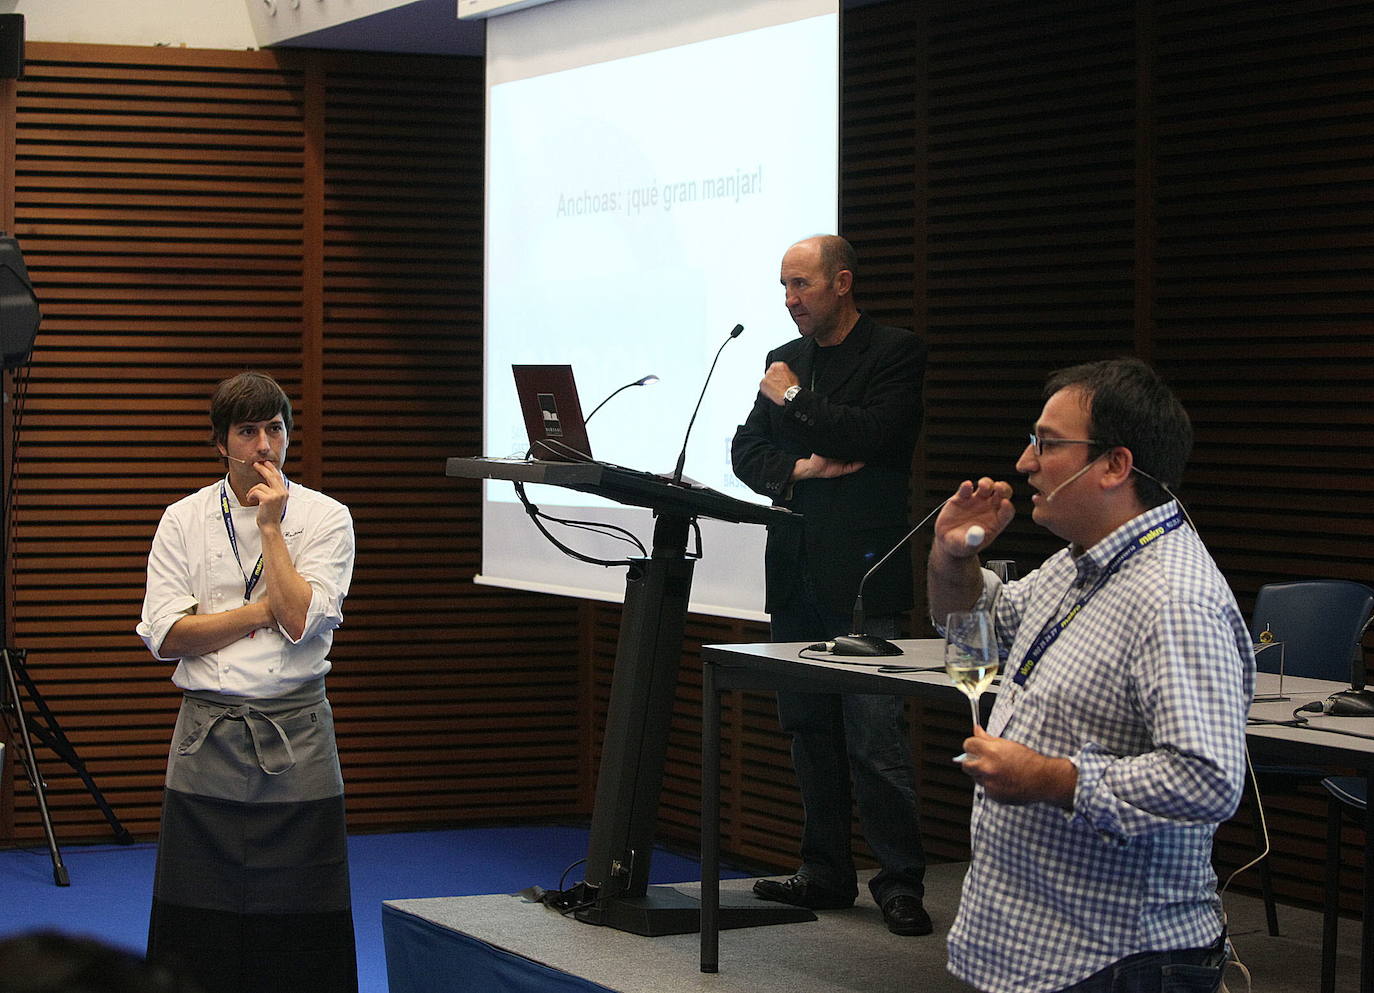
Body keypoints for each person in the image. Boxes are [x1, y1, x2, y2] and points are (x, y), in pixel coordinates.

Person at [927, 357, 1253, 993]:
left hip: (1119, 959)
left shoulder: (1173, 597)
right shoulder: (1078, 565)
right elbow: (974, 640)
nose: (1025, 462)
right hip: (1041, 943)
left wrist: (1052, 779)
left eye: (1047, 444)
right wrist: (951, 556)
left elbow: (1209, 780)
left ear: (1113, 465)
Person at [731, 234, 931, 936]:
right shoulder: (783, 360)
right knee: (807, 728)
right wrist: (805, 469)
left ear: (841, 282)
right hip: (795, 570)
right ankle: (825, 869)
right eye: (784, 287)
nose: (790, 300)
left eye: (802, 285)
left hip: (863, 571)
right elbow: (745, 452)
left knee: (874, 735)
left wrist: (795, 404)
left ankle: (900, 879)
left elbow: (875, 435)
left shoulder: (895, 352)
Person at [136, 372, 358, 993]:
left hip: (298, 732)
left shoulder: (326, 518)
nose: (264, 445)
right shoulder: (182, 519)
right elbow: (167, 637)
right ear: (220, 443)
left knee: (304, 910)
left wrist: (270, 527)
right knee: (194, 910)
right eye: (247, 431)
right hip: (207, 731)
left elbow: (298, 620)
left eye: (275, 429)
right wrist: (258, 612)